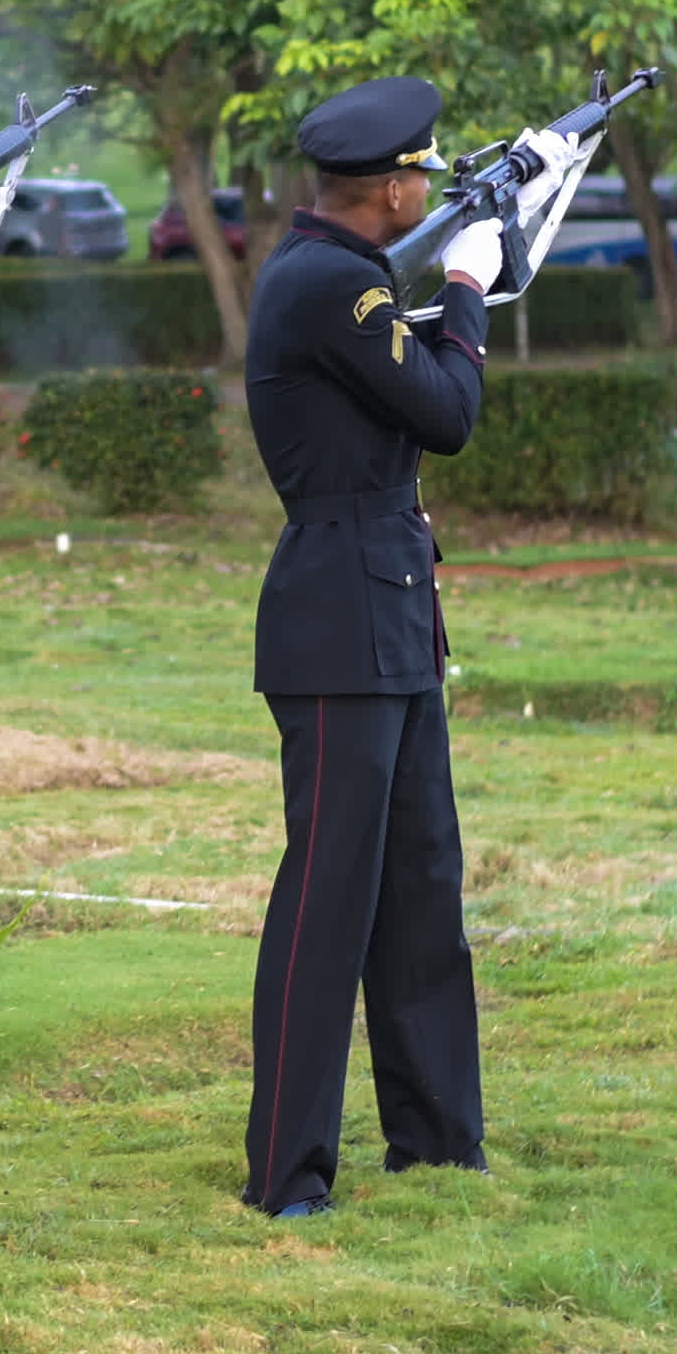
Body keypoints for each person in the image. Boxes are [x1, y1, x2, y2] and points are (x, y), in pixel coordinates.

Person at [237, 76, 516, 1219]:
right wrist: (466, 289)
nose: (428, 188)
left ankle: (437, 1140)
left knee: (419, 885)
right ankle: (286, 1168)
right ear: (394, 185)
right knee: (327, 897)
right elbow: (445, 413)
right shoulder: (330, 286)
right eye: (424, 174)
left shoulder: (343, 278)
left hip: (384, 607)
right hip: (338, 613)